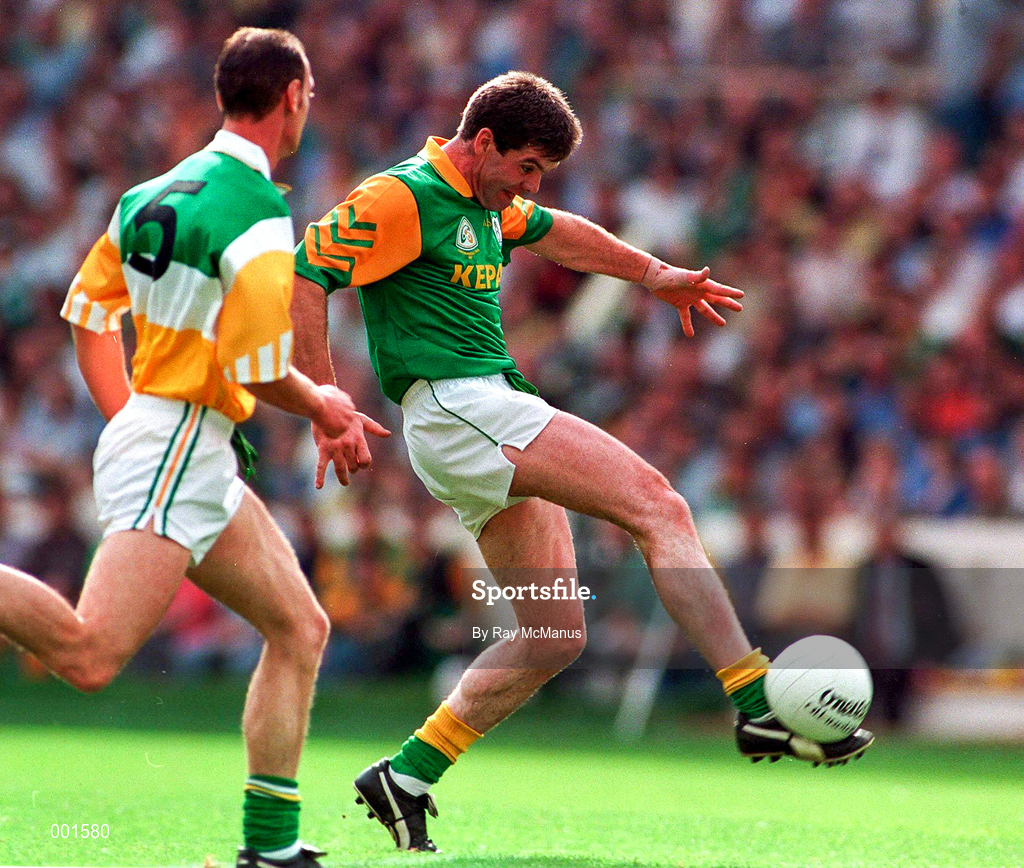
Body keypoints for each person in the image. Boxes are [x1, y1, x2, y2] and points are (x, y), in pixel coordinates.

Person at [290, 72, 874, 852]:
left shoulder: (486, 199)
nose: (528, 188)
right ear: (484, 141)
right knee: (658, 505)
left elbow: (558, 231)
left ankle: (406, 774)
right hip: (462, 406)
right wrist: (324, 403)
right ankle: (755, 697)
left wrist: (652, 274)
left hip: (473, 418)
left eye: (542, 175)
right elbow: (306, 270)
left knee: (555, 632)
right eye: (525, 168)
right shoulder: (401, 196)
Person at [0, 27, 364, 868]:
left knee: (300, 627)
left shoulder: (148, 194)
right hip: (179, 439)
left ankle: (269, 850)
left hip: (175, 440)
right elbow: (259, 366)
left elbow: (90, 315)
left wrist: (132, 420)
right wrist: (327, 403)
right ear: (294, 96)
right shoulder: (259, 211)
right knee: (90, 655)